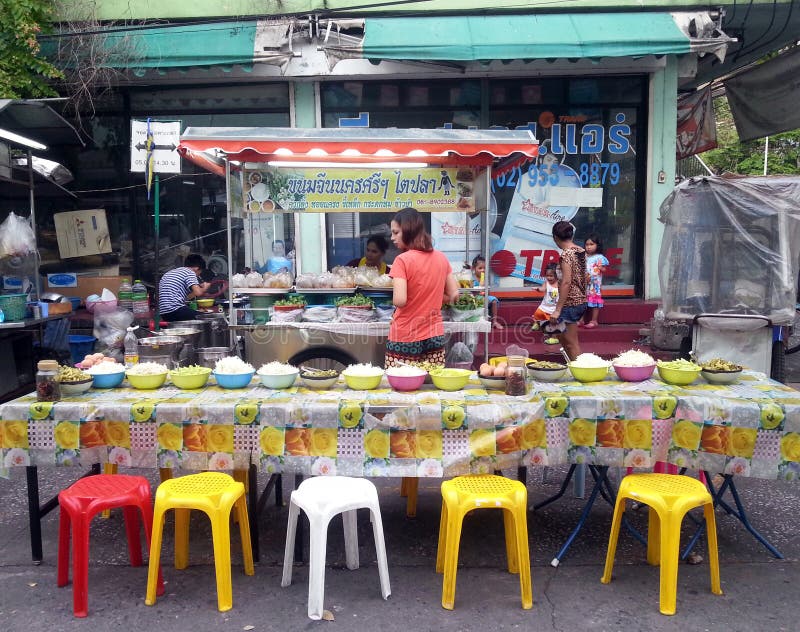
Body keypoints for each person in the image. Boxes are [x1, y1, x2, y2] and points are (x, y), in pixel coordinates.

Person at [386, 207, 460, 368]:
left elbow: (400, 300)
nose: (392, 237)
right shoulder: (441, 258)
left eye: (396, 232)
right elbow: (455, 295)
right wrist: (432, 297)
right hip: (434, 334)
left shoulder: (402, 260)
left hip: (405, 335)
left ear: (408, 230)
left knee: (401, 386)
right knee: (432, 385)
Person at [549, 221, 587, 360]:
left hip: (570, 302)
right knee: (562, 338)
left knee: (571, 344)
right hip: (581, 300)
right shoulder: (580, 251)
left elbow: (566, 281)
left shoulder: (566, 255)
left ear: (555, 237)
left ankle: (582, 371)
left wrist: (558, 309)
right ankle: (573, 367)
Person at [158, 253, 210, 322]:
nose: (197, 276)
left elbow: (186, 298)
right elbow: (198, 293)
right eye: (199, 273)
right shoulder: (190, 273)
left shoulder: (170, 272)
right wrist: (205, 287)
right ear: (197, 269)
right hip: (176, 310)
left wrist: (199, 288)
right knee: (208, 318)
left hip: (164, 313)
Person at [582, 233, 609, 328]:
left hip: (594, 284)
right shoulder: (584, 256)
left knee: (595, 302)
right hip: (584, 283)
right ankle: (581, 320)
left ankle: (594, 320)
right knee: (582, 301)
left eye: (591, 244)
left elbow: (604, 269)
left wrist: (601, 268)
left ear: (598, 245)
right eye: (587, 244)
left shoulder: (600, 257)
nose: (588, 247)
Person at [470, 255, 503, 330]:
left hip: (484, 297)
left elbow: (488, 291)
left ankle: (494, 321)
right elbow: (471, 291)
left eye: (484, 268)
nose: (482, 270)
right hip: (475, 298)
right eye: (480, 268)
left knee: (494, 300)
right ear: (474, 269)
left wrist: (485, 291)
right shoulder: (472, 279)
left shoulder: (485, 279)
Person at [531, 264, 561, 337]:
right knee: (537, 314)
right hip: (544, 305)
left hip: (554, 308)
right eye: (547, 276)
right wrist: (538, 289)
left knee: (550, 321)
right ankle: (537, 324)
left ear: (557, 275)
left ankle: (552, 335)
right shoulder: (546, 283)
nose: (549, 278)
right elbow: (543, 289)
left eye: (551, 276)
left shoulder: (560, 284)